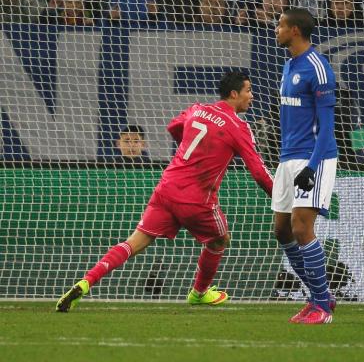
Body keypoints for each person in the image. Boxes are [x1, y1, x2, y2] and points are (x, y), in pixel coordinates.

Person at [56, 71, 273, 312]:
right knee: (220, 239)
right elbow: (258, 171)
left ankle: (86, 282)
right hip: (196, 199)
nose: (251, 96)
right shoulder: (238, 127)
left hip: (167, 188)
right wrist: (281, 199)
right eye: (248, 91)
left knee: (134, 242)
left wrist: (194, 145)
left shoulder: (197, 109)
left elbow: (173, 127)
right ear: (234, 94)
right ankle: (199, 293)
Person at [273, 8, 338, 324]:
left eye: (281, 24)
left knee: (301, 227)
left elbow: (328, 126)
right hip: (288, 158)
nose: (276, 28)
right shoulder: (288, 66)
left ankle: (322, 307)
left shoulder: (318, 67)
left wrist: (312, 166)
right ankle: (320, 296)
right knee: (282, 229)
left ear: (295, 30)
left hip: (315, 157)